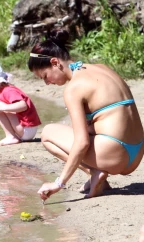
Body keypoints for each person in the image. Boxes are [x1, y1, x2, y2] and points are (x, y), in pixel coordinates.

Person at [28, 30, 144, 199]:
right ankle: (98, 176)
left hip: (115, 155)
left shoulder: (74, 88)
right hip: (137, 152)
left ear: (55, 62)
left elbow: (81, 143)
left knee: (47, 133)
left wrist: (59, 183)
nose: (47, 83)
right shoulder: (102, 68)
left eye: (45, 76)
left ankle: (95, 173)